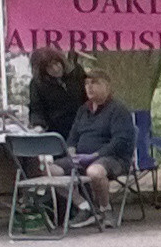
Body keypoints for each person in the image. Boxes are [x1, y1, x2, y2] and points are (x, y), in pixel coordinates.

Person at [65, 68, 136, 223]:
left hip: (113, 158)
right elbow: (73, 137)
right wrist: (71, 153)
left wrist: (95, 155)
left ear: (107, 86)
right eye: (87, 83)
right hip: (81, 158)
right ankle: (85, 207)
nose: (89, 87)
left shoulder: (118, 110)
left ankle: (105, 209)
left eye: (95, 83)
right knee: (48, 170)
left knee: (94, 172)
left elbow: (120, 142)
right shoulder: (83, 110)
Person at [27, 46, 86, 138]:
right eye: (49, 67)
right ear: (42, 72)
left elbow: (88, 98)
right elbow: (36, 109)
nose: (55, 69)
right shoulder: (37, 84)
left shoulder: (77, 73)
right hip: (56, 132)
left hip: (82, 128)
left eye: (56, 63)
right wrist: (38, 125)